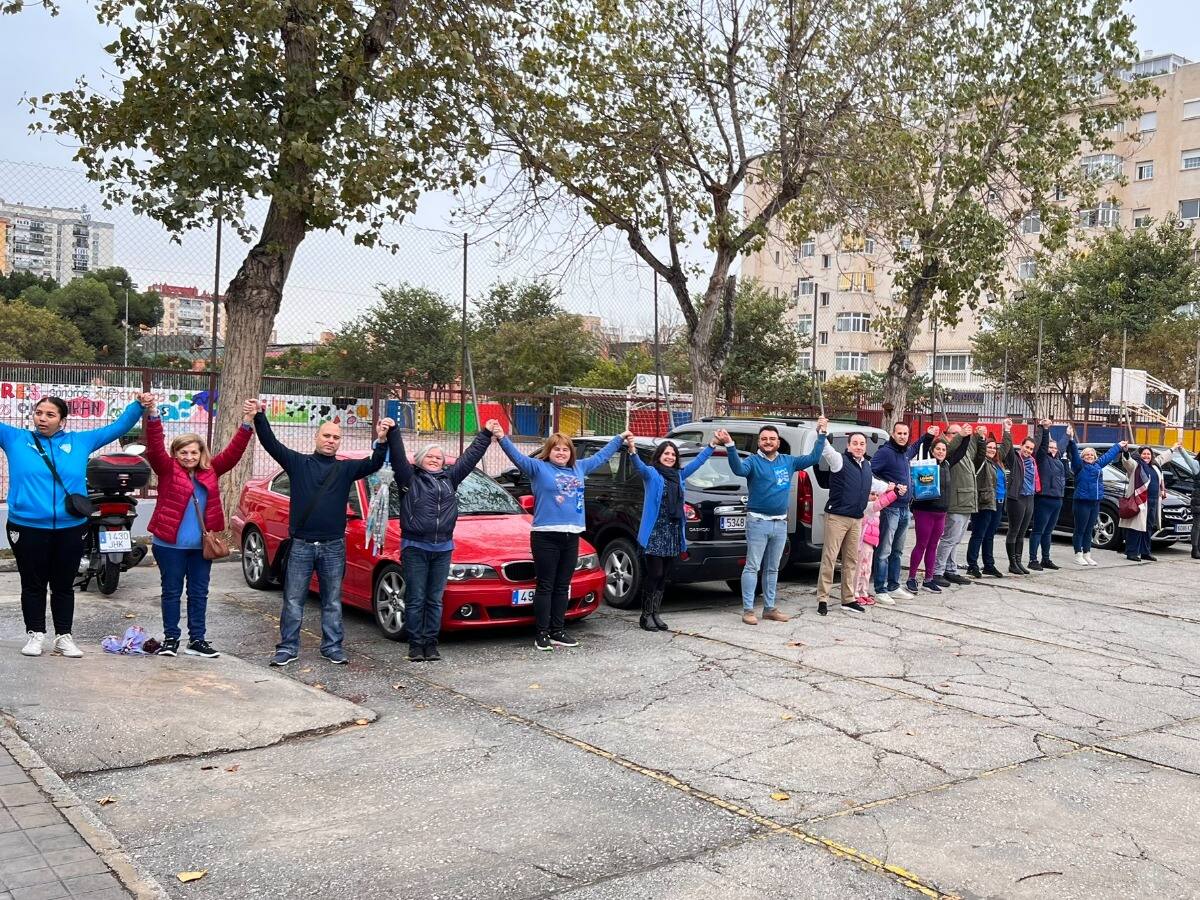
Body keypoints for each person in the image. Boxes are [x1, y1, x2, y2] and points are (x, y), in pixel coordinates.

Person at [5, 393, 148, 658]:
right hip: (26, 525)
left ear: (62, 420)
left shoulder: (80, 442)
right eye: (39, 413)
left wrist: (139, 406)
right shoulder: (15, 439)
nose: (42, 419)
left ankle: (63, 637)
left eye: (50, 415)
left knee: (62, 584)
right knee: (33, 584)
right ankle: (35, 634)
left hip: (70, 526)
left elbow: (117, 427)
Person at [255, 406, 392, 667]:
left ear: (340, 442)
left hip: (333, 546)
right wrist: (260, 417)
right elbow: (270, 443)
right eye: (326, 436)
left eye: (336, 437)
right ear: (316, 438)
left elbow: (374, 463)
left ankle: (332, 647)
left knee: (332, 600)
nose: (330, 441)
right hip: (301, 546)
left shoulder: (346, 469)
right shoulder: (297, 463)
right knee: (294, 600)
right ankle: (287, 647)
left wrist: (382, 440)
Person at [495, 425, 629, 651]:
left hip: (571, 535)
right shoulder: (538, 468)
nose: (561, 453)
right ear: (549, 451)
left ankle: (558, 630)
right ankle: (542, 634)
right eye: (556, 449)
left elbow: (602, 456)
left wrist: (619, 439)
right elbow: (516, 457)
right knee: (545, 585)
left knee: (562, 585)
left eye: (565, 449)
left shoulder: (579, 468)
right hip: (546, 535)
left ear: (571, 453)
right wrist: (501, 437)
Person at [145, 398, 258, 659]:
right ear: (175, 454)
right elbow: (154, 447)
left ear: (201, 454)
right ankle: (171, 639)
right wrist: (152, 414)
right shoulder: (166, 469)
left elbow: (234, 452)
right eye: (183, 452)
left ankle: (197, 640)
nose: (189, 457)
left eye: (194, 452)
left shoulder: (212, 470)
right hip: (168, 545)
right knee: (171, 592)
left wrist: (247, 422)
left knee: (199, 592)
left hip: (201, 547)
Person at [387, 422, 495, 662]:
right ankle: (416, 645)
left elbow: (470, 457)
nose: (436, 460)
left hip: (443, 547)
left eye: (439, 457)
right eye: (431, 456)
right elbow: (396, 455)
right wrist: (394, 431)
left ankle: (431, 644)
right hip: (415, 547)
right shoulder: (409, 479)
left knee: (434, 599)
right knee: (416, 598)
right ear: (420, 459)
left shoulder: (450, 479)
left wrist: (486, 434)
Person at [723, 420, 828, 624]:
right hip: (758, 522)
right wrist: (730, 446)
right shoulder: (753, 462)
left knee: (772, 568)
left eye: (772, 439)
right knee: (752, 566)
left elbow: (814, 457)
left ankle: (770, 608)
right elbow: (738, 470)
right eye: (764, 439)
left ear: (778, 442)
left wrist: (821, 434)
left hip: (780, 524)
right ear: (759, 442)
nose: (768, 442)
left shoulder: (788, 461)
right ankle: (748, 610)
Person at [624, 434, 720, 631]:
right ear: (659, 455)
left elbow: (698, 463)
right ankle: (645, 615)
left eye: (673, 454)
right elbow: (639, 467)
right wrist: (632, 449)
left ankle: (656, 614)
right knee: (654, 573)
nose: (670, 457)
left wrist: (712, 445)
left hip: (673, 530)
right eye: (666, 453)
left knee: (664, 575)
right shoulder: (652, 474)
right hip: (655, 531)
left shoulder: (678, 475)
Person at [815, 427, 874, 615]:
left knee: (851, 560)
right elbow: (826, 449)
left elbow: (873, 484)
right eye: (855, 443)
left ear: (865, 447)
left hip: (856, 519)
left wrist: (892, 488)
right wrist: (821, 432)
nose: (858, 447)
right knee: (830, 558)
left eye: (862, 444)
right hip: (837, 518)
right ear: (848, 446)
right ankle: (822, 599)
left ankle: (848, 599)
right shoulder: (839, 461)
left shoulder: (867, 466)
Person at [906, 427, 970, 594]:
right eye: (938, 449)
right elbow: (926, 444)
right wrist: (929, 436)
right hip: (924, 511)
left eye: (943, 449)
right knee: (922, 544)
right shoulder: (928, 463)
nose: (941, 452)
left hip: (941, 513)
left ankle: (929, 579)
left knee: (933, 546)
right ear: (932, 451)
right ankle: (911, 578)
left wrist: (967, 436)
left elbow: (961, 452)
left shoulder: (947, 464)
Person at [869, 422, 922, 604]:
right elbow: (870, 471)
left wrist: (928, 436)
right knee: (884, 550)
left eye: (905, 433)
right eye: (899, 433)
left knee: (897, 551)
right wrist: (888, 485)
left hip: (904, 508)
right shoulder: (885, 452)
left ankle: (893, 585)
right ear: (893, 434)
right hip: (890, 508)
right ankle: (880, 588)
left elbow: (915, 448)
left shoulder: (904, 453)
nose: (902, 436)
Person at [933, 424, 987, 587]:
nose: (960, 435)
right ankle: (938, 571)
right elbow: (948, 450)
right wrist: (961, 436)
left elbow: (979, 458)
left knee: (956, 540)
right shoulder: (946, 450)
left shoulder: (964, 449)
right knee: (949, 538)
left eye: (960, 433)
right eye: (955, 433)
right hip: (955, 502)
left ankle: (951, 569)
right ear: (947, 435)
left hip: (967, 500)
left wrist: (981, 440)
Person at [1066, 429, 1125, 566]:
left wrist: (1118, 446)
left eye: (1091, 454)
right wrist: (1071, 439)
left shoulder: (1098, 465)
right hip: (1082, 502)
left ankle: (1087, 554)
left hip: (1095, 502)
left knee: (1089, 529)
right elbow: (1074, 454)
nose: (1089, 456)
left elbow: (1108, 456)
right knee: (1080, 529)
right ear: (1083, 457)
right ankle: (1078, 554)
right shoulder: (1079, 467)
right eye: (1086, 454)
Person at [965, 425, 1013, 578]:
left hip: (997, 503)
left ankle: (989, 565)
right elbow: (977, 452)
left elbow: (1005, 447)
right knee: (978, 534)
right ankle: (972, 565)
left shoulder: (997, 462)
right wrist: (979, 437)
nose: (992, 449)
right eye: (989, 447)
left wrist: (1007, 430)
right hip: (984, 502)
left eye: (994, 447)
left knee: (990, 535)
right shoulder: (981, 461)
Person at [1027, 418, 1074, 571]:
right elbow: (1043, 446)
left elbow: (1061, 447)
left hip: (1057, 499)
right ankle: (1033, 559)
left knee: (1048, 532)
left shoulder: (1059, 460)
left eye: (1055, 448)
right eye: (1050, 447)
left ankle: (1046, 559)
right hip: (1044, 499)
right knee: (1038, 530)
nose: (1053, 449)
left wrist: (1067, 436)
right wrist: (1045, 429)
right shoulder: (1041, 459)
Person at [1118, 443, 1175, 562]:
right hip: (1140, 501)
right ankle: (1132, 552)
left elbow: (1163, 457)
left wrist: (1174, 448)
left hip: (1153, 501)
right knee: (1136, 528)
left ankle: (1145, 552)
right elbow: (1127, 462)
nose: (1146, 456)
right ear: (1140, 454)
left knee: (1148, 527)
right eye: (1144, 453)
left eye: (1148, 454)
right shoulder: (1136, 465)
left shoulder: (1155, 465)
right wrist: (1125, 451)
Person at [854, 479, 905, 607]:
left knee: (867, 569)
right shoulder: (866, 506)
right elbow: (882, 502)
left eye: (877, 495)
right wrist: (894, 492)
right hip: (862, 542)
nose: (875, 497)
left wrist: (889, 490)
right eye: (872, 494)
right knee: (859, 568)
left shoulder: (875, 508)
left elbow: (881, 500)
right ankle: (855, 593)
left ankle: (863, 592)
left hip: (871, 542)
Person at [1003, 419, 1040, 575]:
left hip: (1029, 498)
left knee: (1023, 532)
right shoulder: (1015, 459)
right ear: (1022, 445)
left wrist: (1044, 429)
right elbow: (1008, 449)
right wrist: (1006, 430)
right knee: (1014, 530)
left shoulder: (1032, 460)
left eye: (1031, 449)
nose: (1028, 450)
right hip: (1016, 498)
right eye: (1026, 447)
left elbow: (1041, 444)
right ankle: (1012, 563)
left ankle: (1018, 561)